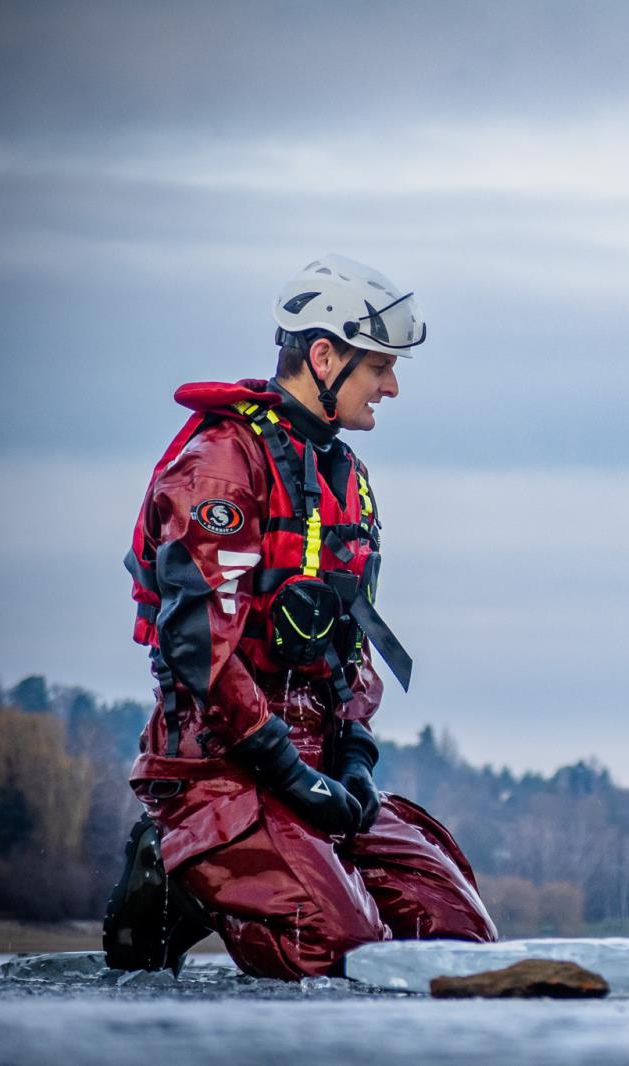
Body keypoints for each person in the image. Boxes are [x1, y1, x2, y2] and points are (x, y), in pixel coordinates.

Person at [104, 254, 497, 979]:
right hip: (221, 767)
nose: (393, 385)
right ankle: (178, 862)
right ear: (324, 356)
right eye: (380, 366)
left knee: (457, 950)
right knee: (335, 955)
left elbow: (353, 639)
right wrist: (285, 768)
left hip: (316, 766)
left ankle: (273, 854)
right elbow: (204, 658)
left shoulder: (346, 477)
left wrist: (352, 753)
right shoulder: (220, 467)